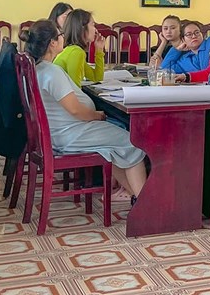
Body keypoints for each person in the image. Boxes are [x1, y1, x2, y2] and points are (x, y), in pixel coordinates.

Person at [24, 21, 146, 202]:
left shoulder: (33, 67)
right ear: (52, 43)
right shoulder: (51, 72)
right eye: (60, 35)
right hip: (70, 134)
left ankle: (139, 197)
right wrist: (97, 116)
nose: (63, 37)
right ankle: (146, 204)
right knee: (132, 143)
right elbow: (75, 109)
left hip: (55, 134)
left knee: (115, 147)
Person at [54, 9, 106, 86]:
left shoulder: (74, 50)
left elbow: (97, 77)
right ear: (82, 27)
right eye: (93, 25)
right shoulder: (76, 52)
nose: (96, 30)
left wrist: (99, 50)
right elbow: (75, 87)